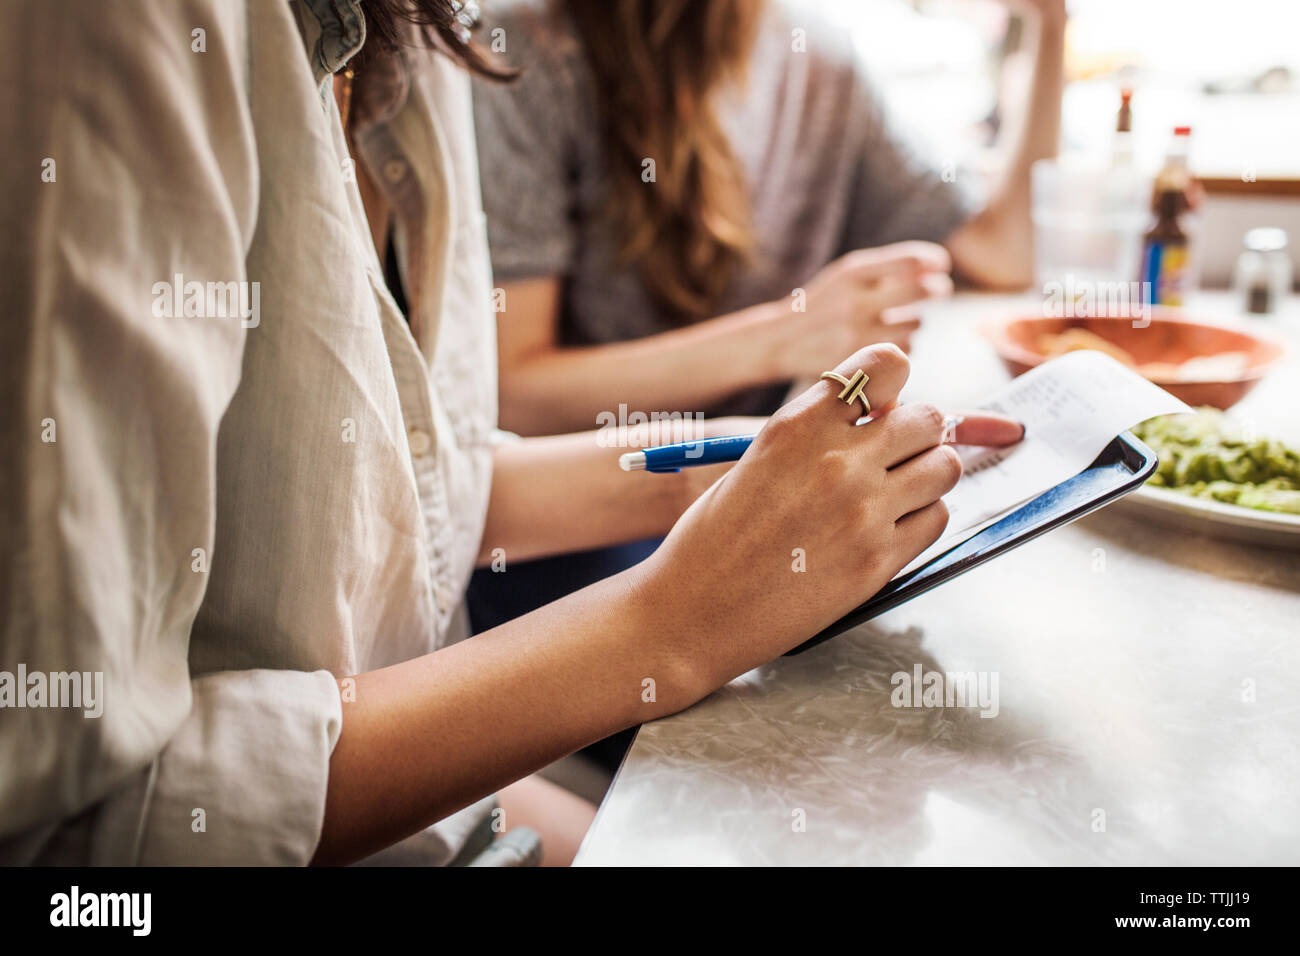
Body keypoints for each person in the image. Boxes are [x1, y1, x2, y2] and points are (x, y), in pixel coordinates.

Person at [0, 0, 1020, 867]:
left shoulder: (426, 33)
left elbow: (428, 482)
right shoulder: (116, 32)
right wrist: (668, 624)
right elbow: (78, 824)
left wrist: (764, 464)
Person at [473, 0, 1067, 434]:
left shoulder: (821, 57)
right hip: (590, 500)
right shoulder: (519, 51)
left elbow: (1002, 254)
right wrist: (787, 336)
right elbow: (511, 394)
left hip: (753, 467)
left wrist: (1050, 25)